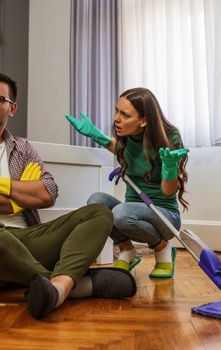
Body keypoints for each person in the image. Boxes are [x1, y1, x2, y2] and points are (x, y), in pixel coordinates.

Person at [0, 72, 136, 319]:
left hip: (26, 240)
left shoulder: (24, 148)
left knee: (99, 212)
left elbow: (49, 192)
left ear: (12, 108)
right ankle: (72, 285)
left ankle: (55, 289)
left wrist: (4, 186)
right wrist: (22, 197)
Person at [66, 87, 189, 278]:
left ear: (144, 120)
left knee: (121, 213)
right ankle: (127, 250)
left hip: (164, 216)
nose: (116, 118)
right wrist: (96, 135)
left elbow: (167, 192)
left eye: (124, 114)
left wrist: (170, 168)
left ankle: (163, 249)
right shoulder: (128, 137)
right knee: (96, 202)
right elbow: (122, 150)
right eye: (117, 110)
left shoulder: (169, 137)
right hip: (134, 211)